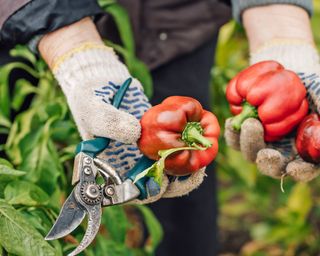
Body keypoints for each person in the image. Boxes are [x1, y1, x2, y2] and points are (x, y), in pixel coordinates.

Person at [0, 0, 319, 255]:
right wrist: (77, 56)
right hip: (20, 26)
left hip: (176, 24)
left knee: (182, 217)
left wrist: (282, 30)